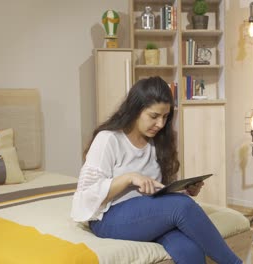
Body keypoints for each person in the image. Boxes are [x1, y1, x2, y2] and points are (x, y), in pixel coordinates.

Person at [71, 76, 242, 264]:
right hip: (109, 219)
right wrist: (129, 178)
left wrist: (184, 189)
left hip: (147, 217)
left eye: (165, 117)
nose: (160, 124)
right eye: (154, 116)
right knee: (182, 205)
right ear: (135, 110)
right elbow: (85, 196)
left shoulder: (158, 142)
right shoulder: (109, 139)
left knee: (191, 250)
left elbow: (158, 191)